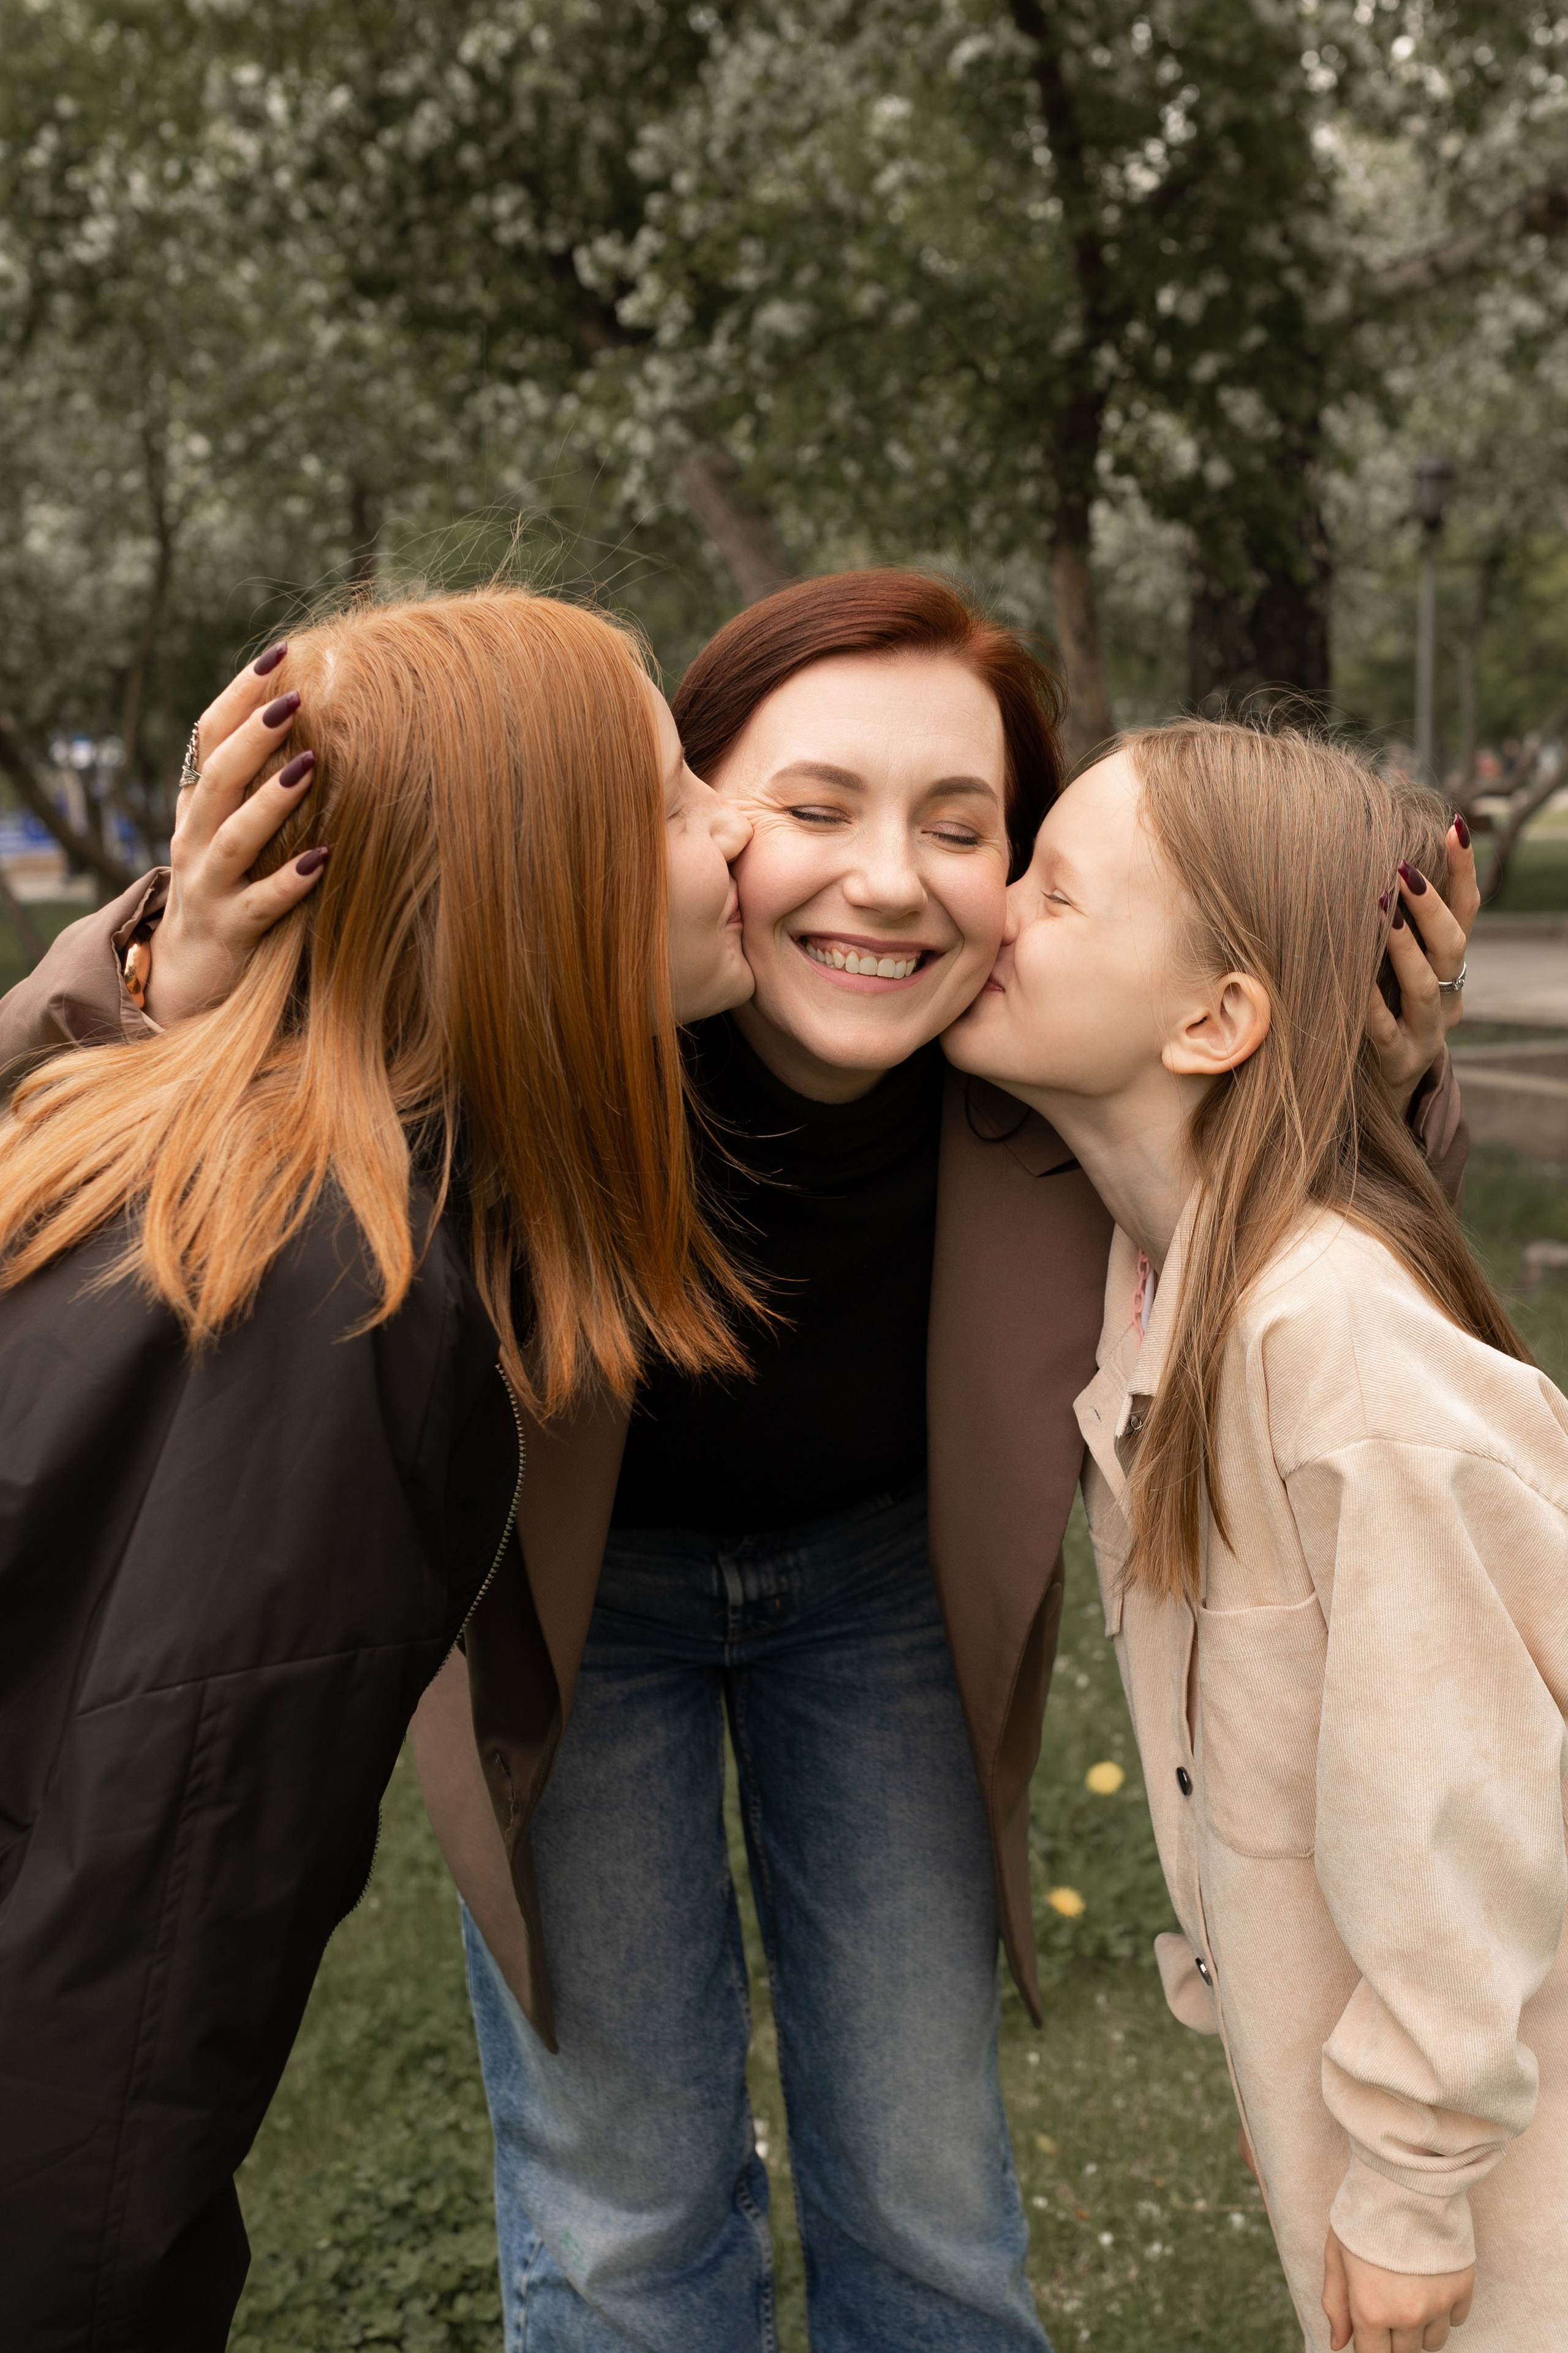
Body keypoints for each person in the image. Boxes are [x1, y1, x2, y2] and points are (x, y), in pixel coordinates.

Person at [3, 573, 1477, 2353]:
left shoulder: (1041, 1072)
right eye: (805, 806)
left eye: (964, 824)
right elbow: (186, 1119)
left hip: (877, 1595)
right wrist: (165, 964)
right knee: (618, 2197)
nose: (886, 878)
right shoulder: (556, 1021)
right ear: (675, 824)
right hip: (588, 1607)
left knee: (928, 2180)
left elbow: (1262, 1213)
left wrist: (1369, 1081)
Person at [0, 586, 755, 2350]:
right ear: (527, 887)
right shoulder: (342, 1295)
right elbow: (145, 1913)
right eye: (667, 801)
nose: (735, 827)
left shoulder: (165, 1129)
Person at [944, 719, 1567, 2353]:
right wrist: (1275, 2042)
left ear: (1218, 1018)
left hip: (1510, 2175)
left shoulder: (1334, 1343)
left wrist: (1413, 2173)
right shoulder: (1172, 1304)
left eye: (1057, 892)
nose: (992, 906)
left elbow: (1461, 1804)